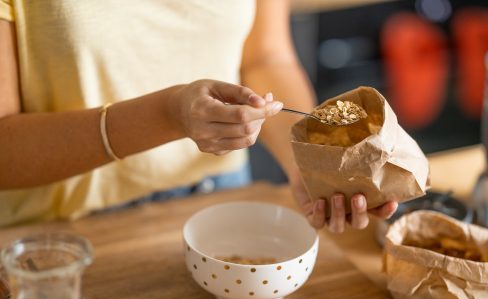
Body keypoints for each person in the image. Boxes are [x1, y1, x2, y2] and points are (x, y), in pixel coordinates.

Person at [0, 0, 397, 232]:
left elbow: (264, 56)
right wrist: (169, 114)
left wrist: (309, 161)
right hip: (58, 231)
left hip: (217, 197)